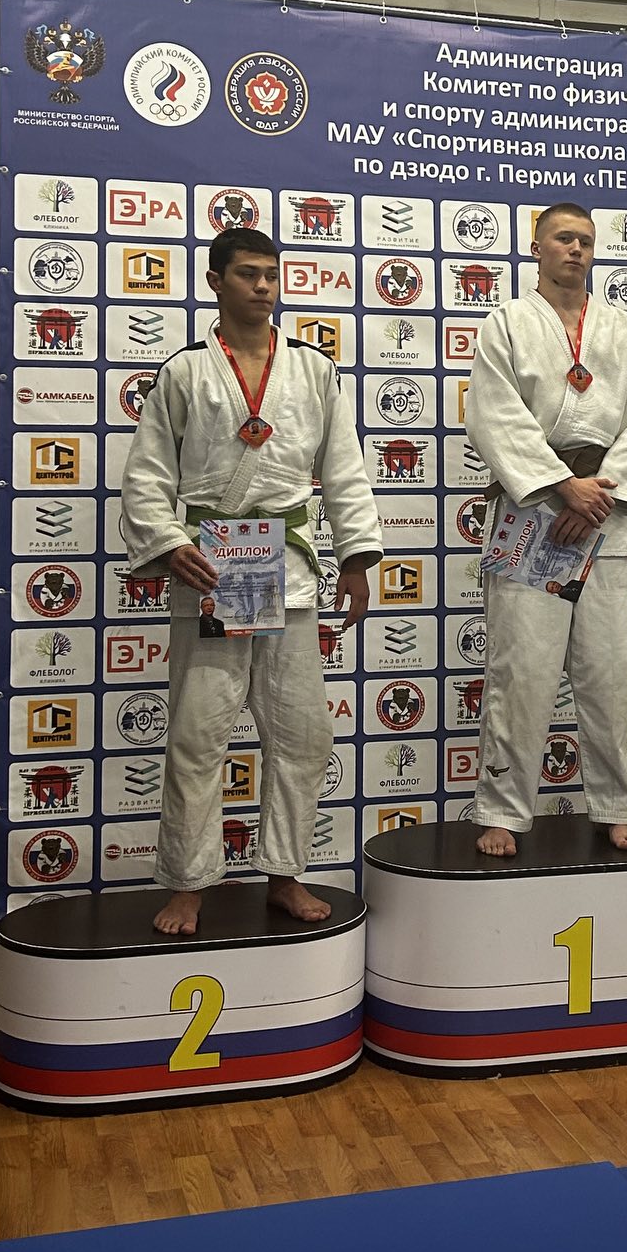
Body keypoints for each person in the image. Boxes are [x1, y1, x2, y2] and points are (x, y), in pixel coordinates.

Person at [121, 228, 382, 936]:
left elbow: (345, 468)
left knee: (302, 734)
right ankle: (188, 882)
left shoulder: (313, 370)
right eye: (246, 274)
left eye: (270, 274)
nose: (263, 286)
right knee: (198, 735)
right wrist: (169, 542)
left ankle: (285, 873)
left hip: (287, 570)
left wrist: (357, 559)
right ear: (215, 281)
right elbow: (148, 477)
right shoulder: (185, 372)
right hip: (213, 567)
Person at [465, 202, 627, 857]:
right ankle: (502, 810)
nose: (575, 250)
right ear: (537, 248)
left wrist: (595, 494)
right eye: (563, 239)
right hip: (533, 519)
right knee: (521, 675)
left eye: (585, 241)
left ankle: (615, 805)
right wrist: (559, 486)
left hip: (603, 515)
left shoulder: (623, 330)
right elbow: (494, 416)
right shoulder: (507, 324)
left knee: (608, 675)